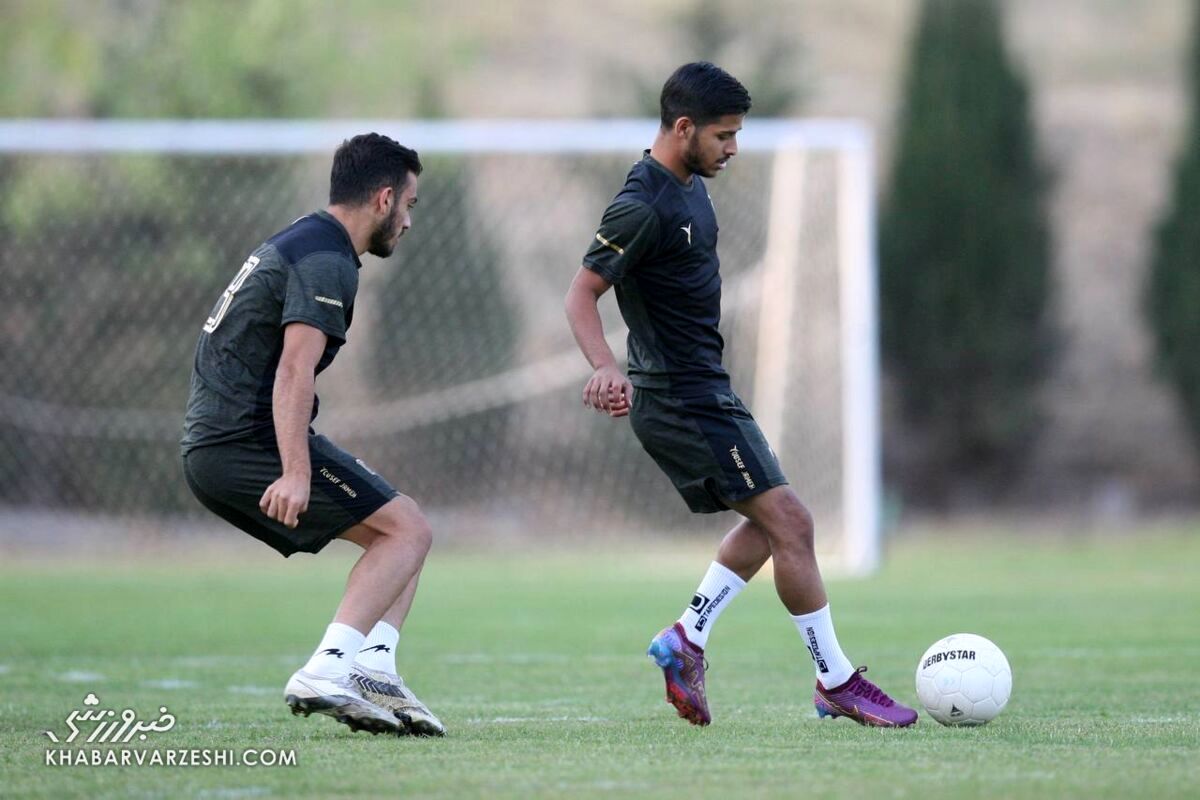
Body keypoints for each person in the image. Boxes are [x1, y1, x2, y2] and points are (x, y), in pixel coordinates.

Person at [564, 63, 917, 728]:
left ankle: (687, 638)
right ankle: (835, 680)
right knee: (795, 524)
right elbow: (582, 291)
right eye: (724, 136)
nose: (734, 148)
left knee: (771, 522)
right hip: (679, 399)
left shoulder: (691, 186)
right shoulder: (641, 204)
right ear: (684, 127)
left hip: (706, 390)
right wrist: (605, 365)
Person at [181, 133, 444, 737]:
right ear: (383, 199)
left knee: (402, 526)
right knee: (406, 530)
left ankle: (373, 666)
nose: (407, 221)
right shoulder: (325, 261)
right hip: (241, 442)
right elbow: (293, 369)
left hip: (223, 438)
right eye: (408, 205)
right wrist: (296, 471)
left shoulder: (308, 237)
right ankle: (329, 669)